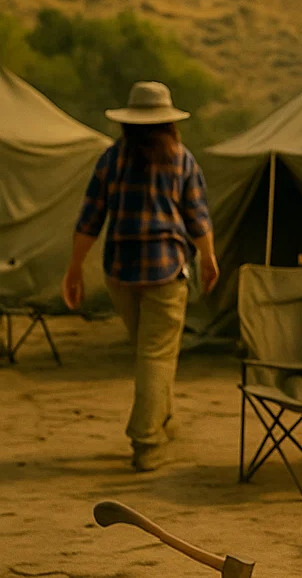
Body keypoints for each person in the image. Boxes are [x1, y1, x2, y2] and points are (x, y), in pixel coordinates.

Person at [62, 81, 218, 472]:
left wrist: (75, 268)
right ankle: (147, 441)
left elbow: (89, 219)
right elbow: (198, 218)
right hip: (166, 270)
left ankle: (164, 420)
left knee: (148, 354)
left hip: (121, 271)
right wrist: (209, 258)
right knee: (156, 355)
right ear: (169, 123)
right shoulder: (181, 160)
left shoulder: (111, 159)